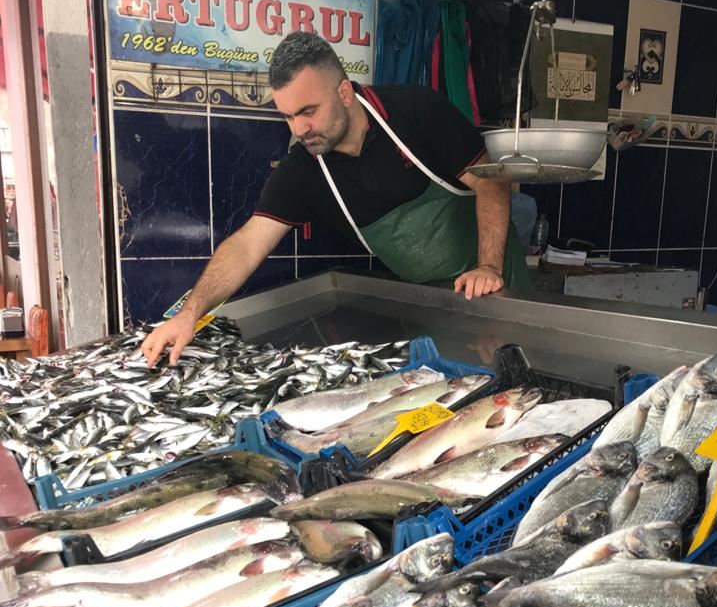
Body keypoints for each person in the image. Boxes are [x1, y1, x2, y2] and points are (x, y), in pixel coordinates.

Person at [142, 32, 528, 368]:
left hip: (496, 284)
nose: (300, 129)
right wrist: (189, 313)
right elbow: (247, 244)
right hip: (429, 303)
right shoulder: (304, 169)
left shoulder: (415, 111)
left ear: (344, 92)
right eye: (289, 117)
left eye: (308, 111)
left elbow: (491, 182)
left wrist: (488, 266)